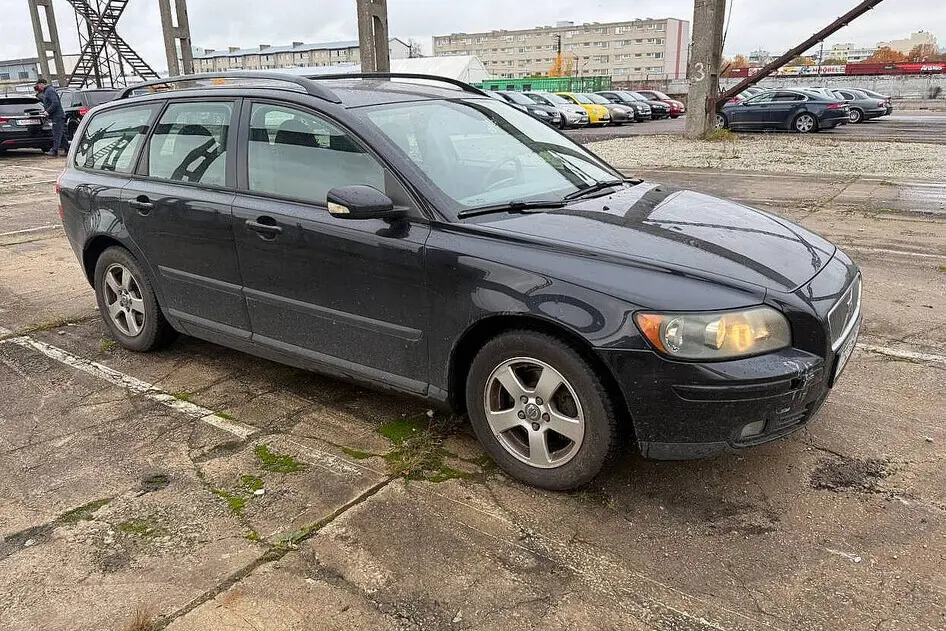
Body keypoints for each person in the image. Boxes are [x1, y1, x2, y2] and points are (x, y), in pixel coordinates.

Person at [34, 78, 69, 157]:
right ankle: (68, 149)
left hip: (57, 116)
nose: (38, 87)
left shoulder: (49, 91)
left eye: (38, 85)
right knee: (61, 134)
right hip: (56, 116)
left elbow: (55, 103)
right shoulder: (48, 91)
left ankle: (54, 150)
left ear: (41, 84)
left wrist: (47, 111)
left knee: (56, 133)